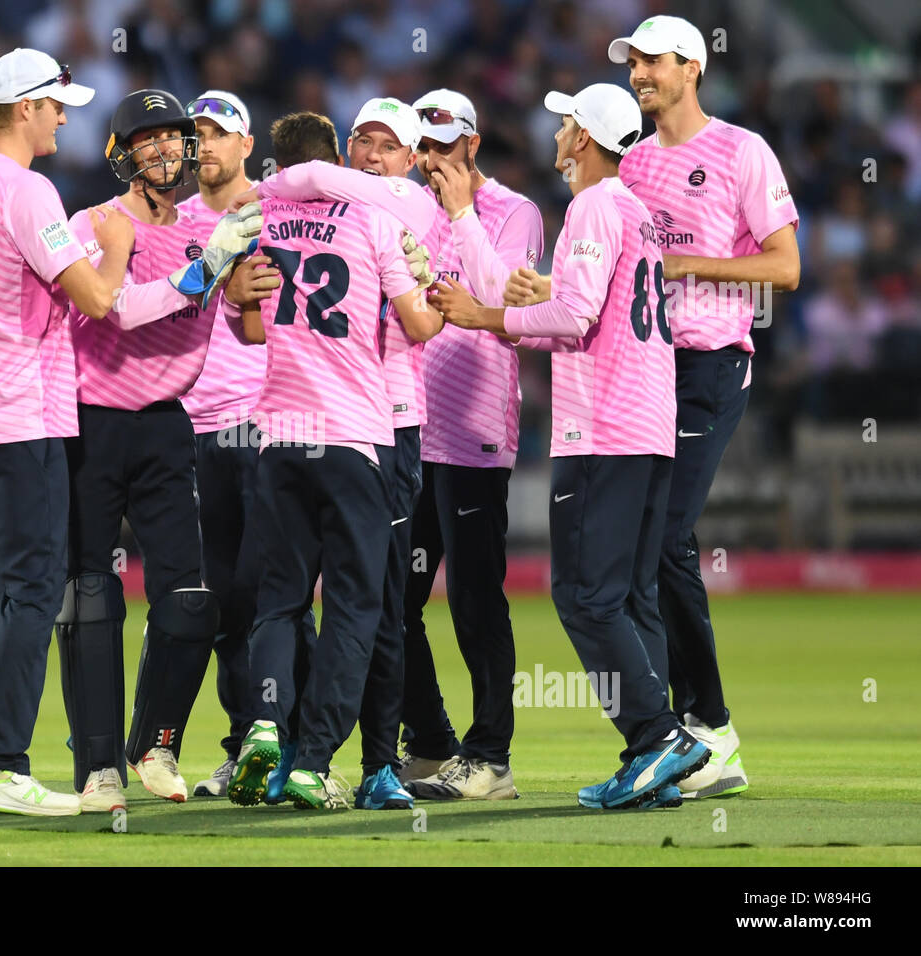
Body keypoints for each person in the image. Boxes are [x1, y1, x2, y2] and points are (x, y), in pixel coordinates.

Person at [435, 83, 709, 809]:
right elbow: (594, 302)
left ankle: (658, 739)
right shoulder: (638, 213)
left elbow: (576, 317)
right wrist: (522, 285)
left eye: (564, 124)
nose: (556, 134)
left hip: (603, 430)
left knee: (583, 595)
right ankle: (655, 762)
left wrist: (489, 314)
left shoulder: (592, 204)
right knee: (626, 597)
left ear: (584, 137)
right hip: (649, 425)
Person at [0, 48, 134, 817]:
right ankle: (2, 762)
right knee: (33, 586)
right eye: (55, 106)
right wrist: (112, 250)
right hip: (17, 413)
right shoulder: (29, 189)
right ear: (24, 109)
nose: (63, 117)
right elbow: (97, 300)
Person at [227, 96, 441, 810]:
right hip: (358, 431)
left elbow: (251, 323)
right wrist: (445, 300)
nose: (372, 156)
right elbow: (418, 322)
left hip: (288, 434)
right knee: (361, 607)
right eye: (361, 143)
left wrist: (234, 292)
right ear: (340, 153)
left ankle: (271, 727)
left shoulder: (267, 217)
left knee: (287, 604)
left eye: (386, 144)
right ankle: (321, 759)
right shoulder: (379, 217)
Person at [609, 15, 800, 797]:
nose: (639, 74)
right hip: (646, 367)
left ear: (693, 66)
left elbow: (785, 266)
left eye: (652, 61)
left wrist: (689, 262)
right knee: (651, 548)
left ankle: (710, 730)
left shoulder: (740, 149)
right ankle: (684, 735)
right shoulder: (631, 164)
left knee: (663, 540)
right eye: (633, 63)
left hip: (713, 364)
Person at [57, 88, 263, 812]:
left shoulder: (208, 233)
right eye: (145, 139)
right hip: (92, 425)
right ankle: (97, 768)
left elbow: (242, 326)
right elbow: (117, 311)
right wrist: (208, 270)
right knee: (89, 595)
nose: (164, 149)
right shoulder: (93, 225)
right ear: (121, 153)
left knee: (191, 596)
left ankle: (155, 744)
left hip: (167, 425)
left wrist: (245, 292)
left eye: (172, 137)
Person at [398, 89, 544, 802]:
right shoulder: (407, 206)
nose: (433, 160)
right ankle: (430, 743)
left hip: (476, 428)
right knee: (393, 599)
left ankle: (491, 758)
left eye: (445, 145)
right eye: (423, 147)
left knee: (475, 600)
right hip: (404, 423)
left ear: (473, 144)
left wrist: (461, 215)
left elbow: (506, 305)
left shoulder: (514, 212)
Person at [174, 91, 282, 799]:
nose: (205, 145)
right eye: (197, 135)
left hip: (266, 422)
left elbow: (284, 323)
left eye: (219, 133)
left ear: (248, 145)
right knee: (216, 603)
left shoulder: (277, 215)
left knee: (267, 593)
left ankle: (285, 739)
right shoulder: (172, 220)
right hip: (192, 426)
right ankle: (245, 744)